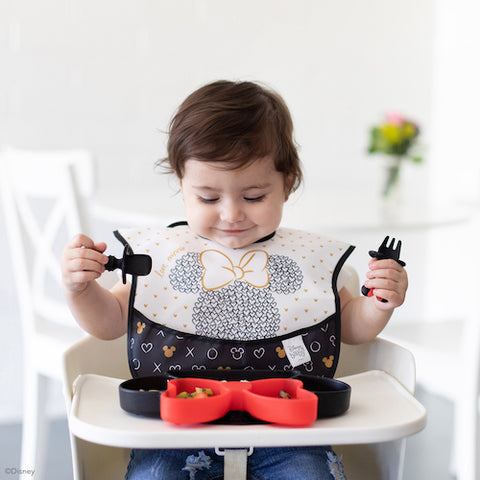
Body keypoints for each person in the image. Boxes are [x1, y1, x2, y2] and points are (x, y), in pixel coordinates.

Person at [62, 80, 408, 480]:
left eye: (254, 196)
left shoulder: (305, 259)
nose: (230, 214)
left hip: (290, 432)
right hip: (175, 431)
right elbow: (108, 322)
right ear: (181, 183)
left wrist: (377, 302)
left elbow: (350, 326)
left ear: (288, 183)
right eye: (208, 198)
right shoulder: (166, 257)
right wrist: (81, 289)